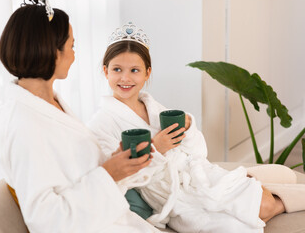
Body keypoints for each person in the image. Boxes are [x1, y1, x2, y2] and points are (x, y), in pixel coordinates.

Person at [88, 22, 305, 233]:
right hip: (171, 197)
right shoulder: (101, 124)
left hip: (197, 174)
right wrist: (157, 148)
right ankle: (284, 194)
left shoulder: (154, 108)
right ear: (106, 71)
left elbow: (199, 153)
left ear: (147, 73)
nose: (125, 78)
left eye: (134, 70)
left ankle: (269, 189)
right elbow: (117, 179)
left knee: (263, 205)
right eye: (117, 69)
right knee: (242, 224)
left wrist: (189, 127)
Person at [0, 0, 163, 232]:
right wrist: (108, 174)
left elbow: (75, 169)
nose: (74, 55)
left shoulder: (49, 103)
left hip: (108, 217)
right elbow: (46, 220)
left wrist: (115, 163)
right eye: (71, 46)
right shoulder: (24, 125)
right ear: (52, 51)